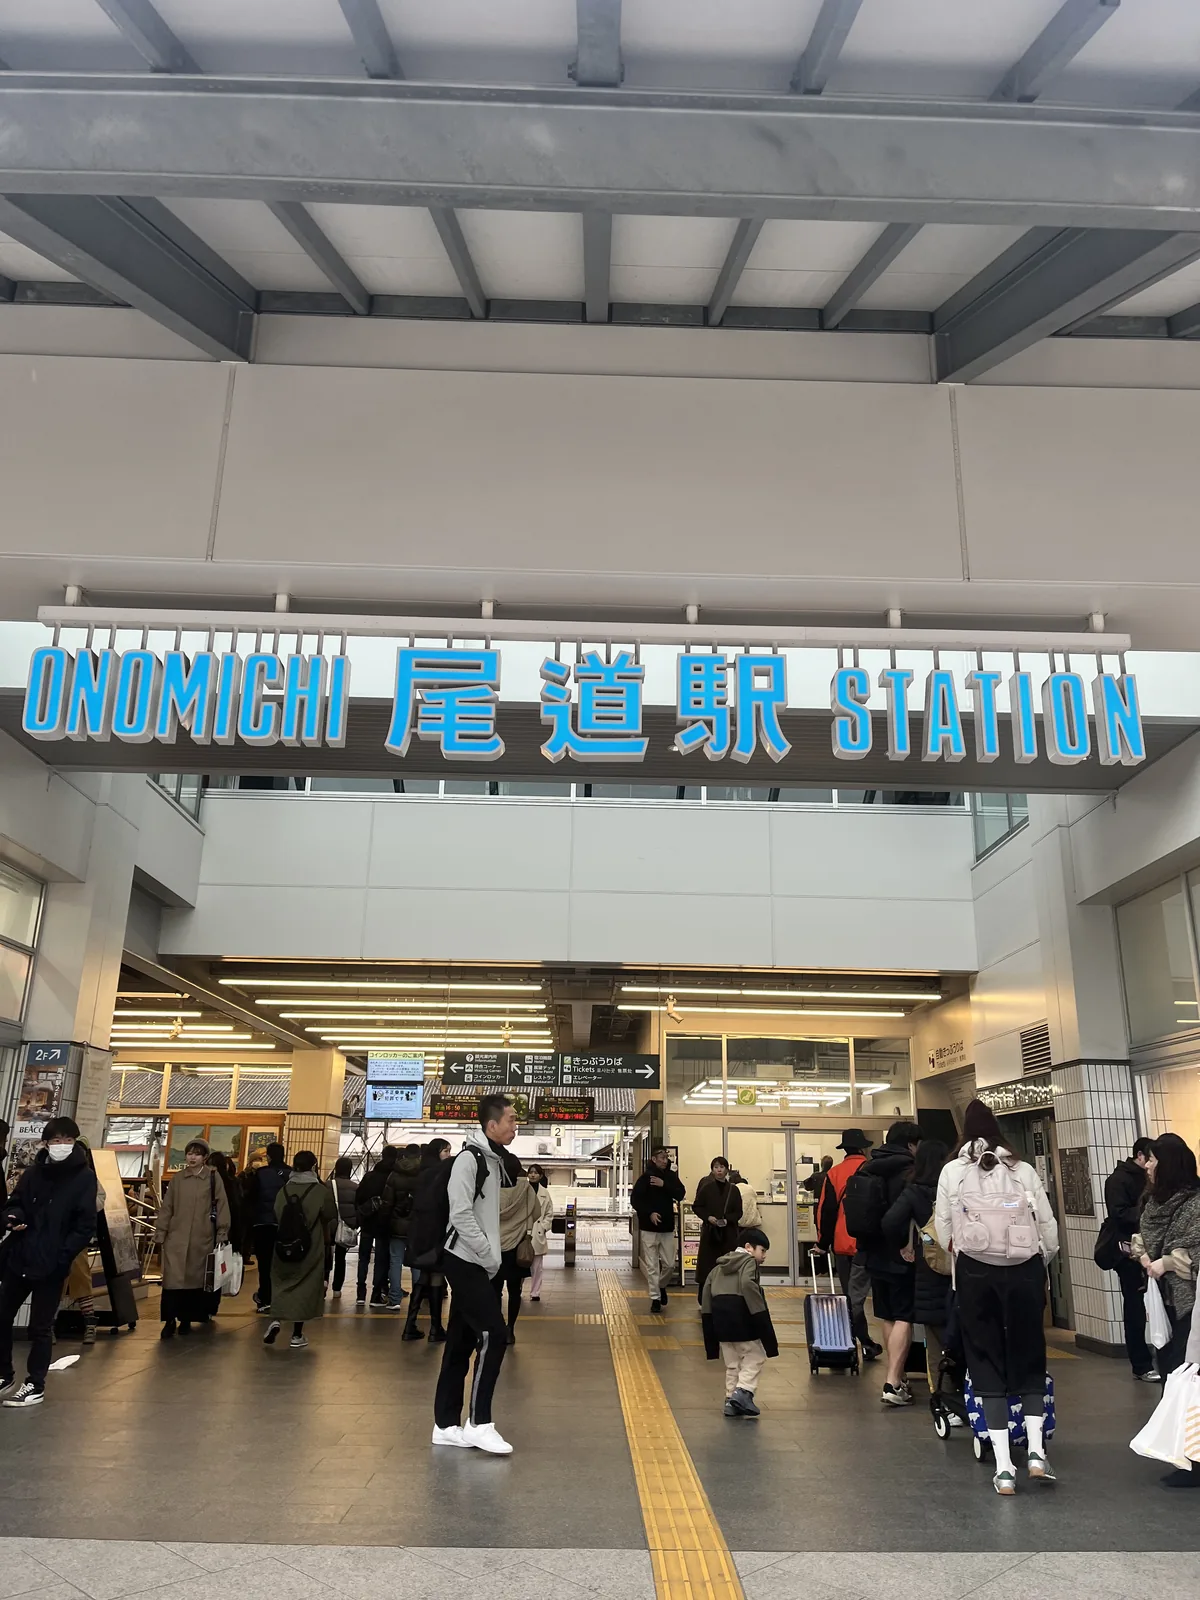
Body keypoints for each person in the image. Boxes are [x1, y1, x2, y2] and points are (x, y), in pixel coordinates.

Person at [936, 1099, 1059, 1496]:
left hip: (975, 1272)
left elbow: (941, 1229)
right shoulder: (1021, 1169)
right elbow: (1047, 1225)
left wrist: (968, 1253)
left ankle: (1004, 1466)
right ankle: (1037, 1451)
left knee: (984, 1356)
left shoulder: (953, 1170)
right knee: (1029, 1353)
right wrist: (1037, 1260)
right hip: (1024, 1270)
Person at [433, 1093, 519, 1455]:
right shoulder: (469, 1160)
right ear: (492, 1125)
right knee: (494, 1334)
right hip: (466, 1260)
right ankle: (479, 1423)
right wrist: (487, 1254)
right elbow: (461, 1214)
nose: (516, 1125)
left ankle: (445, 1425)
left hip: (478, 1261)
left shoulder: (493, 1160)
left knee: (460, 1342)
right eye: (512, 1119)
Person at [0, 1117, 97, 1408]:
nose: (61, 1146)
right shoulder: (33, 1173)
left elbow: (85, 1225)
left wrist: (62, 1255)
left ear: (76, 1143)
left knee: (40, 1327)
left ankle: (35, 1383)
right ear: (46, 1143)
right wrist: (12, 1217)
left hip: (52, 1264)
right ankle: (4, 1374)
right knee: (2, 1316)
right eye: (55, 1141)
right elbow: (14, 1202)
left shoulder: (84, 1177)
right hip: (21, 1257)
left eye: (67, 1140)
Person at [1132, 1132, 1200, 1486]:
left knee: (1188, 1379)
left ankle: (1194, 1459)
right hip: (1165, 1301)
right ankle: (1182, 1453)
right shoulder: (1154, 1202)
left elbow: (1194, 1256)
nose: (1148, 1165)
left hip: (1192, 1306)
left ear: (1169, 1164)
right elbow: (1142, 1237)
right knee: (1173, 1373)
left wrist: (1167, 1264)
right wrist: (1142, 1254)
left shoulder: (1195, 1205)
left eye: (1154, 1160)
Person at [854, 1119, 923, 1406]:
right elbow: (905, 1215)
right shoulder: (909, 1172)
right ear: (910, 1144)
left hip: (871, 1252)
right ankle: (893, 1382)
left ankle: (898, 1376)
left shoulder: (868, 1167)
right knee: (905, 1315)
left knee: (887, 1315)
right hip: (900, 1253)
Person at [883, 1138, 953, 1399]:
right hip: (960, 1263)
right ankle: (966, 1388)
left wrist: (906, 1243)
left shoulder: (914, 1190)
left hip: (931, 1264)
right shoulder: (953, 1187)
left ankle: (943, 1396)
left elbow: (890, 1222)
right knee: (959, 1326)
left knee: (934, 1331)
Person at [817, 1129, 882, 1364]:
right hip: (872, 1244)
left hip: (843, 1244)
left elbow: (825, 1211)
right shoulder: (874, 1169)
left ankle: (855, 1341)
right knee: (874, 1297)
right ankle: (867, 1342)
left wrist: (823, 1243)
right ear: (864, 1148)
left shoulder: (833, 1174)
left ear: (844, 1150)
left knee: (850, 1297)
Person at [262, 1150, 337, 1351]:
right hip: (310, 1245)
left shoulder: (284, 1190)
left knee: (281, 1282)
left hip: (283, 1244)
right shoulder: (320, 1190)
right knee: (305, 1286)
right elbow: (330, 1213)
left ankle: (276, 1320)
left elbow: (277, 1213)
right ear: (314, 1166)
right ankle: (296, 1334)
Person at [156, 1137, 230, 1340]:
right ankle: (169, 1320)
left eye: (197, 1154)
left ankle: (186, 1319)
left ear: (205, 1157)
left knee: (193, 1281)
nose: (192, 1157)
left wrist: (222, 1232)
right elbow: (167, 1207)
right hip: (176, 1238)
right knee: (172, 1281)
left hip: (202, 1238)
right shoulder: (178, 1179)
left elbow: (221, 1205)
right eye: (189, 1153)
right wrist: (161, 1232)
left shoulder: (213, 1178)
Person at [701, 1226, 778, 1417]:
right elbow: (746, 1285)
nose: (764, 1256)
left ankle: (730, 1400)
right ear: (748, 1247)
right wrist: (760, 1314)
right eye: (762, 1250)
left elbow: (706, 1295)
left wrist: (710, 1328)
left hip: (720, 1320)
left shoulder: (718, 1267)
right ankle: (743, 1392)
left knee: (733, 1363)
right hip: (740, 1317)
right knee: (756, 1355)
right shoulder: (748, 1263)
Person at [1100, 1137, 1156, 1381]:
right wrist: (1150, 1213)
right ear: (1141, 1156)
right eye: (1151, 1158)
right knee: (1134, 1305)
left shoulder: (1152, 1178)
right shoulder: (1119, 1180)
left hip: (1151, 1248)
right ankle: (1141, 1363)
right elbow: (1119, 1214)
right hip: (1128, 1252)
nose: (1154, 1163)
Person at [403, 1139, 450, 1342]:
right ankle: (435, 1328)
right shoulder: (441, 1173)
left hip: (418, 1231)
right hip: (436, 1230)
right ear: (438, 1152)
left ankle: (409, 1326)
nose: (448, 1155)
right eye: (446, 1151)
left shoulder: (420, 1172)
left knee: (423, 1276)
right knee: (437, 1276)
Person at [632, 1147, 686, 1313]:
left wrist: (664, 1185)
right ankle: (655, 1298)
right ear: (654, 1159)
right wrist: (649, 1213)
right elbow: (635, 1200)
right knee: (652, 1266)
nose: (665, 1160)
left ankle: (661, 1285)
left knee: (670, 1264)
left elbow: (680, 1194)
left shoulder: (670, 1177)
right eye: (661, 1157)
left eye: (666, 1157)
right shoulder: (645, 1178)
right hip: (649, 1229)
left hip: (667, 1228)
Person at [494, 1158, 539, 1345]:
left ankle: (498, 1325)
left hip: (494, 1246)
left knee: (495, 1290)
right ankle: (510, 1329)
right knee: (514, 1291)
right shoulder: (526, 1189)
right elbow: (536, 1213)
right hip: (517, 1246)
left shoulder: (492, 1189)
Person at [376, 1144, 421, 1312]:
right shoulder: (424, 1174)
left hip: (397, 1223)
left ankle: (394, 1299)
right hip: (416, 1225)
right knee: (416, 1262)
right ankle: (417, 1298)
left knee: (395, 1261)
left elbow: (387, 1202)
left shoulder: (394, 1174)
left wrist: (385, 1221)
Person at [246, 1141, 290, 1314]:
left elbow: (251, 1198)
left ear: (269, 1157)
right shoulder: (291, 1173)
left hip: (263, 1224)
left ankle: (265, 1299)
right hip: (285, 1225)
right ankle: (283, 1299)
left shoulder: (260, 1174)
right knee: (284, 1263)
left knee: (264, 1264)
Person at [691, 1157, 742, 1304]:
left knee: (727, 1265)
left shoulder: (734, 1190)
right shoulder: (706, 1188)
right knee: (708, 1265)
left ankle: (726, 1296)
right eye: (715, 1167)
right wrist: (708, 1217)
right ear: (712, 1170)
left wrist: (728, 1220)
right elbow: (697, 1206)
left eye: (721, 1167)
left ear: (727, 1169)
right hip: (711, 1233)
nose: (719, 1170)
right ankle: (704, 1297)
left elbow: (739, 1212)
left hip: (728, 1234)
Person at [354, 1145, 397, 1308]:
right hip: (385, 1224)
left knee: (363, 1257)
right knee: (381, 1259)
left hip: (367, 1222)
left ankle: (360, 1294)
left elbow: (358, 1197)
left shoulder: (370, 1176)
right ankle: (376, 1294)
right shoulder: (393, 1177)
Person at [330, 1155, 358, 1300]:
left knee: (326, 1256)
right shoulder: (355, 1187)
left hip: (329, 1226)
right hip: (346, 1226)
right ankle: (337, 1289)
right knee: (341, 1258)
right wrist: (354, 1222)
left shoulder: (328, 1185)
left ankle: (323, 1282)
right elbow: (357, 1208)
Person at [527, 1163, 555, 1302]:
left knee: (537, 1266)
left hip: (537, 1233)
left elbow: (549, 1212)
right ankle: (518, 1288)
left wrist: (544, 1226)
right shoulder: (522, 1190)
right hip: (522, 1232)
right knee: (520, 1261)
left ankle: (535, 1292)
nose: (532, 1175)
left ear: (540, 1175)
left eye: (535, 1173)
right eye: (530, 1172)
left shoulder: (545, 1193)